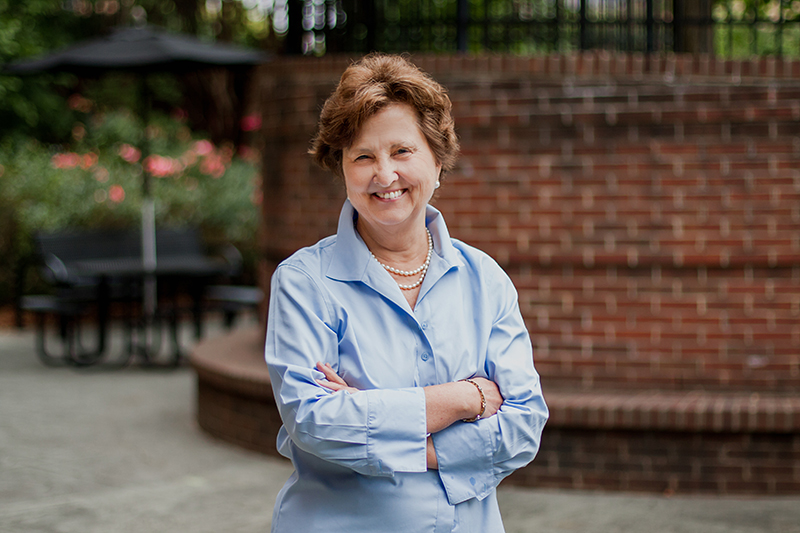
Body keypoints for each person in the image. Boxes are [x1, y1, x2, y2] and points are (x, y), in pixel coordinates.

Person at [265, 53, 548, 532]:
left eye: (402, 151)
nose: (384, 174)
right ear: (343, 170)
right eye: (363, 156)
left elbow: (523, 426)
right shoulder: (303, 283)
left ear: (437, 161)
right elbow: (315, 421)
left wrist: (377, 421)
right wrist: (465, 398)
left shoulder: (486, 280)